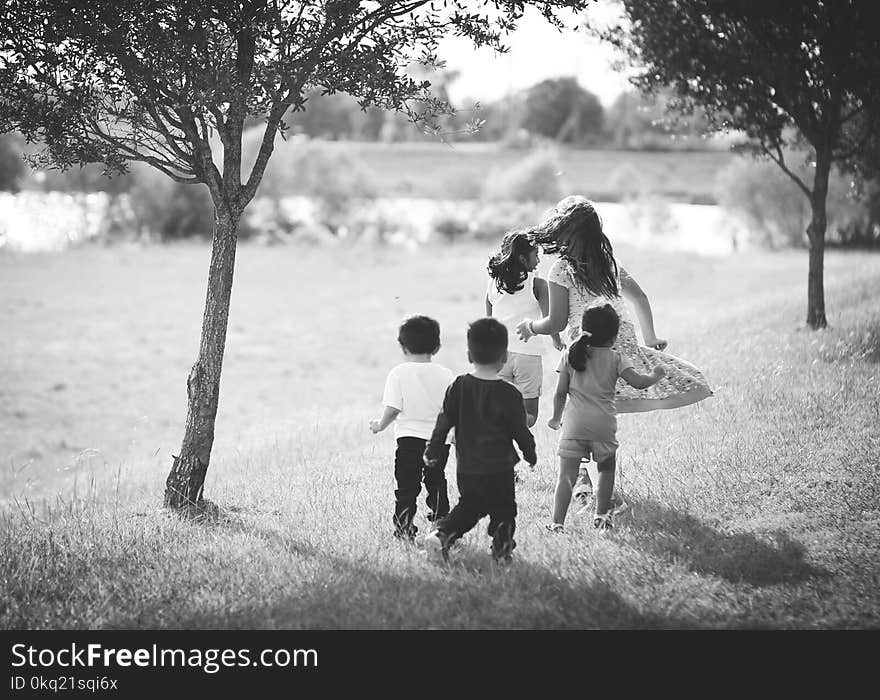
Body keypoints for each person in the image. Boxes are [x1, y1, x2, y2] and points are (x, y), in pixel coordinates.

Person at [516, 195, 712, 506]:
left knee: (574, 405)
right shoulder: (609, 263)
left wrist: (530, 327)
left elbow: (555, 322)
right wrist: (650, 338)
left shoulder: (561, 270)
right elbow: (641, 297)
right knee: (600, 403)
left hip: (587, 346)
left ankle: (580, 477)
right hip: (622, 345)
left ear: (563, 230)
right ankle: (596, 471)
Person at [422, 318, 537, 565]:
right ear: (505, 356)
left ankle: (441, 534)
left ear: (468, 354)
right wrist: (530, 454)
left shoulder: (459, 386)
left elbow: (443, 422)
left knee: (469, 507)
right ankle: (502, 549)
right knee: (504, 509)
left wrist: (433, 450)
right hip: (501, 468)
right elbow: (520, 430)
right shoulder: (510, 393)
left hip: (469, 467)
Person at [546, 304, 665, 531]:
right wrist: (655, 375)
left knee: (566, 476)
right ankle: (602, 517)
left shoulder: (570, 355)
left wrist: (554, 418)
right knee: (605, 471)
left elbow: (560, 392)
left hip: (574, 426)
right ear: (613, 337)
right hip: (603, 425)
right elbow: (638, 383)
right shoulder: (616, 358)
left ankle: (557, 523)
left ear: (583, 329)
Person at [370, 315, 454, 541]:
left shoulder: (398, 373)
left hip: (408, 441)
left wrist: (380, 425)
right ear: (437, 346)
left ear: (402, 346)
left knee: (407, 487)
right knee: (436, 481)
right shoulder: (445, 375)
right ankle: (440, 526)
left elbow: (393, 409)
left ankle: (404, 529)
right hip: (439, 441)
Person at [485, 230, 565, 427]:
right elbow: (549, 319)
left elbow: (489, 320)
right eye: (535, 255)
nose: (538, 261)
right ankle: (511, 428)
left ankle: (495, 430)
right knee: (529, 414)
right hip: (528, 355)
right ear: (522, 258)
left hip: (499, 354)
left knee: (496, 405)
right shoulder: (538, 284)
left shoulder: (493, 284)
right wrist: (557, 341)